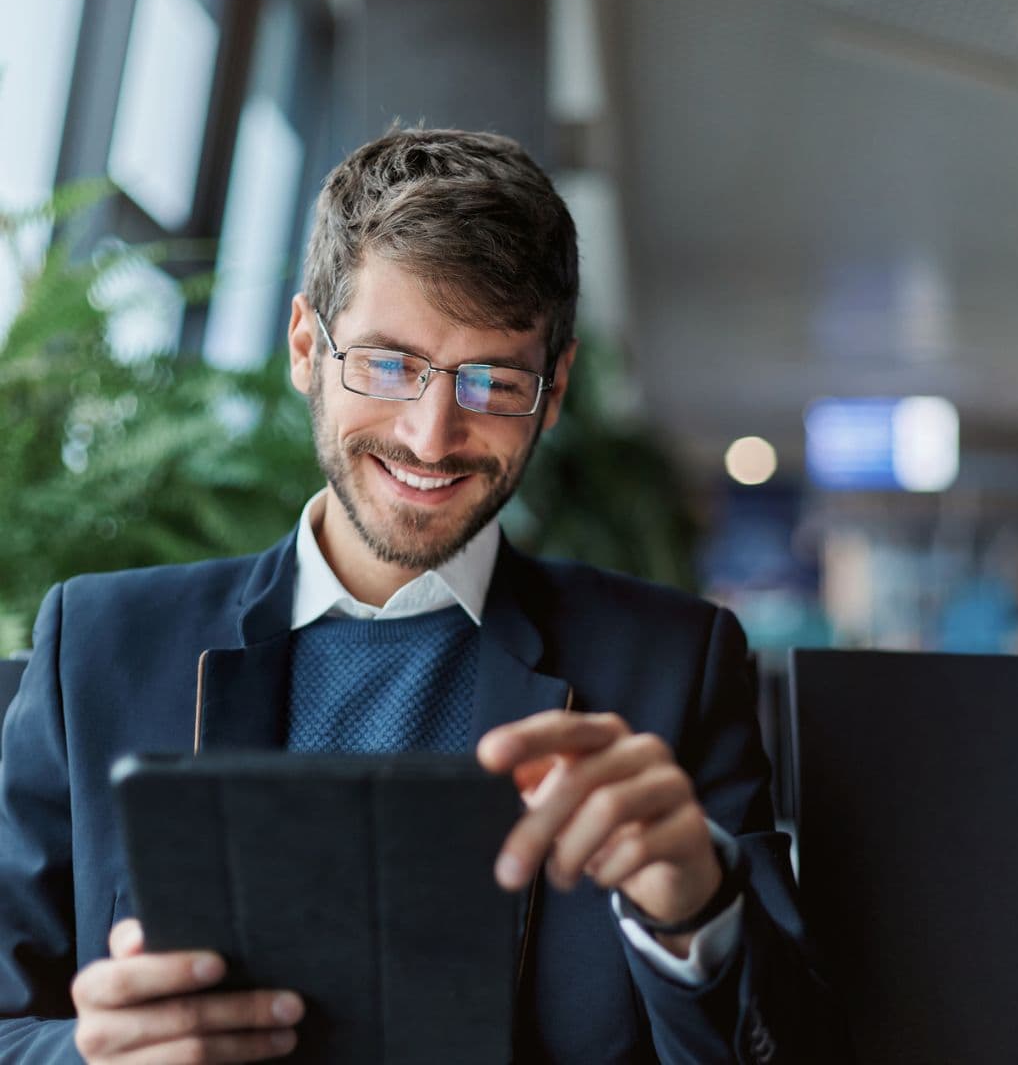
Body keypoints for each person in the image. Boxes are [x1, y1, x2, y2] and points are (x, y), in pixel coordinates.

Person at [0, 128, 842, 1063]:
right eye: (389, 364)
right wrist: (87, 1056)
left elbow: (796, 1051)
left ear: (553, 391)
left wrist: (698, 915)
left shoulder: (669, 670)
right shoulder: (102, 648)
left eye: (493, 379)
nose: (432, 435)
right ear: (304, 348)